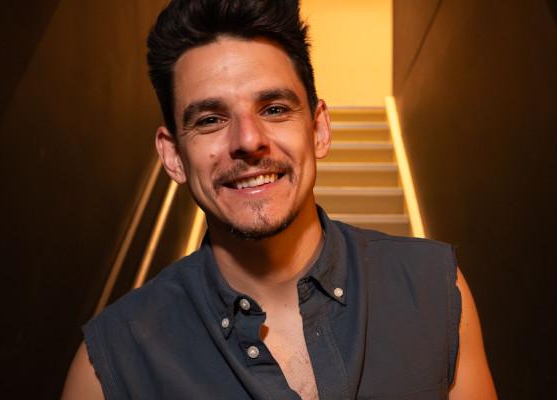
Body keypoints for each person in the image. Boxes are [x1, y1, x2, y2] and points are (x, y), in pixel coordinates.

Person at [62, 0, 497, 398]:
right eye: (210, 119)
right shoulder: (109, 366)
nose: (248, 140)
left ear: (319, 129)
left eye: (274, 109)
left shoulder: (433, 287)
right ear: (173, 156)